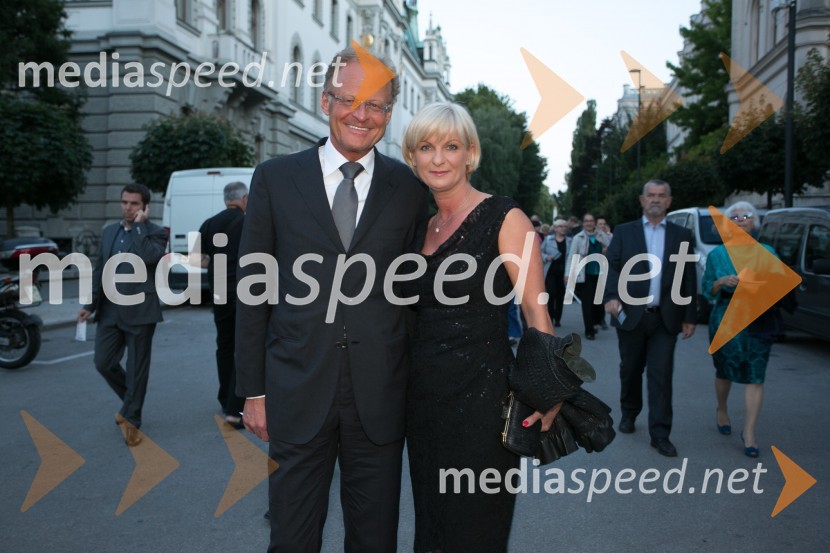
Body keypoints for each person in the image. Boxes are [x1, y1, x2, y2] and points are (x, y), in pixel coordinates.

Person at [234, 47, 429, 552]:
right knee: (292, 539)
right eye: (348, 100)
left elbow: (413, 296)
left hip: (380, 396)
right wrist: (253, 391)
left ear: (389, 115)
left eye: (377, 106)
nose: (361, 115)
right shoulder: (276, 179)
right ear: (325, 102)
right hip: (295, 391)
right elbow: (253, 292)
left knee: (374, 540)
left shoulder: (408, 189)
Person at [401, 102, 558, 552]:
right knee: (432, 524)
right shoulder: (420, 227)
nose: (437, 158)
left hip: (484, 404)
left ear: (471, 154)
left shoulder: (505, 218)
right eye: (425, 147)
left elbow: (535, 311)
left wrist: (547, 391)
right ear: (412, 157)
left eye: (451, 146)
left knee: (476, 531)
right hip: (423, 401)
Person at [603, 180, 697, 458]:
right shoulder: (624, 232)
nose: (655, 200)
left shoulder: (682, 235)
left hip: (664, 319)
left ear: (669, 201)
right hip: (630, 315)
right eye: (651, 195)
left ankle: (660, 433)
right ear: (642, 200)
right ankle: (629, 412)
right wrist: (611, 295)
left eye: (661, 195)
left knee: (661, 375)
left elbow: (688, 277)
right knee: (630, 369)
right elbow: (612, 267)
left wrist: (690, 314)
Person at [78, 184, 167, 447]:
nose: (128, 207)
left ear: (145, 207)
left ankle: (132, 420)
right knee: (103, 362)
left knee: (138, 369)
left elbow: (150, 258)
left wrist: (139, 227)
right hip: (109, 311)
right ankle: (130, 404)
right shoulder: (109, 233)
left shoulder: (155, 233)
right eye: (125, 202)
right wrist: (89, 304)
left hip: (141, 312)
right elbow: (99, 269)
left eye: (134, 204)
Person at [703, 201, 773, 458]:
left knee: (756, 375)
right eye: (734, 217)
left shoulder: (767, 251)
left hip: (759, 321)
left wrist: (760, 284)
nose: (740, 220)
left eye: (745, 216)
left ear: (754, 222)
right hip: (725, 319)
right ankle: (722, 409)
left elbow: (779, 284)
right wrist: (721, 281)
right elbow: (706, 288)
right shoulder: (716, 255)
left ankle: (750, 433)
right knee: (725, 370)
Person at [195, 181, 248, 428]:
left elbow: (199, 260)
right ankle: (235, 407)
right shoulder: (247, 221)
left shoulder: (209, 223)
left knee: (224, 345)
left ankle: (223, 397)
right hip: (242, 292)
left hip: (218, 293)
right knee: (243, 347)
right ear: (243, 199)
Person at [564, 213, 610, 340]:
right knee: (587, 303)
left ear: (594, 222)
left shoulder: (602, 235)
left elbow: (611, 249)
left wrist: (606, 249)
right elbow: (572, 256)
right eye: (586, 221)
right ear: (583, 223)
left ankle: (596, 321)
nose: (589, 223)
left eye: (591, 221)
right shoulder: (578, 238)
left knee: (598, 302)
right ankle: (589, 330)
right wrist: (568, 274)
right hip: (585, 274)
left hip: (600, 273)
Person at [541, 219, 571, 327]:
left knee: (560, 295)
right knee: (551, 294)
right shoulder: (548, 239)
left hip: (563, 272)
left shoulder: (570, 241)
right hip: (551, 271)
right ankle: (550, 317)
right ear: (556, 228)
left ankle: (558, 318)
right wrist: (546, 257)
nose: (563, 228)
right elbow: (540, 251)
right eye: (561, 226)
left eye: (565, 226)